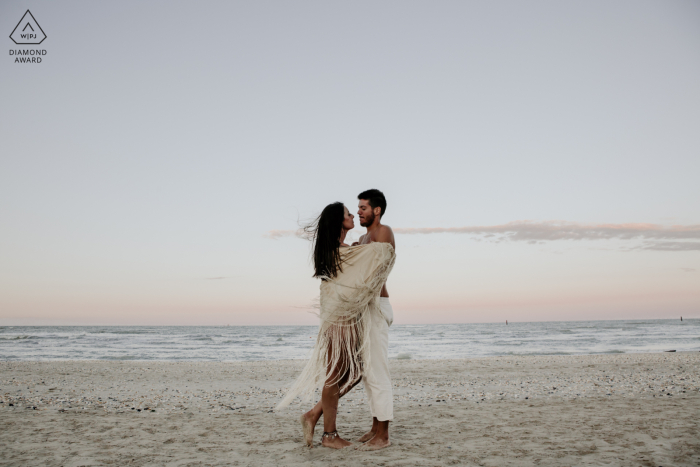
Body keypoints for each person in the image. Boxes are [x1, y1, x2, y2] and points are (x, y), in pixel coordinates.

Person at [275, 200, 396, 450]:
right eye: (348, 213)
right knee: (336, 376)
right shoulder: (340, 251)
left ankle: (314, 415)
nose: (353, 215)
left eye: (355, 211)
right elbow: (383, 255)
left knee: (355, 372)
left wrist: (359, 247)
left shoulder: (342, 249)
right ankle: (329, 436)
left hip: (345, 320)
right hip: (339, 322)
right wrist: (364, 247)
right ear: (339, 221)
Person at [353, 189, 395, 450]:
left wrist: (358, 252)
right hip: (363, 306)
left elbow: (377, 268)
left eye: (363, 208)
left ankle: (385, 434)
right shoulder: (362, 237)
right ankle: (374, 426)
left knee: (378, 370)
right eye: (358, 208)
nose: (359, 211)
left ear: (376, 210)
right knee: (368, 372)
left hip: (377, 305)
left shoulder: (383, 232)